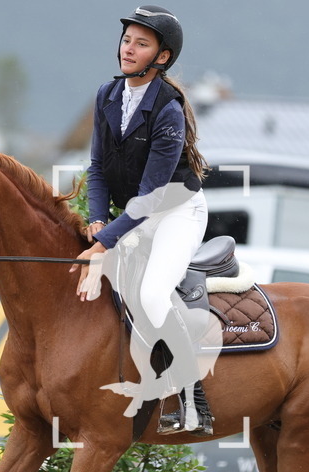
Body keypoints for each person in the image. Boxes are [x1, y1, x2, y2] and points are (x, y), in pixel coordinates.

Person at [71, 5, 216, 435]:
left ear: (162, 57)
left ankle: (194, 400)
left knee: (152, 294)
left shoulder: (168, 109)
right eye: (126, 40)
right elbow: (96, 168)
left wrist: (103, 244)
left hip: (175, 212)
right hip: (134, 215)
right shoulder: (107, 95)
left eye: (141, 43)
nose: (128, 49)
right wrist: (97, 220)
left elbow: (152, 198)